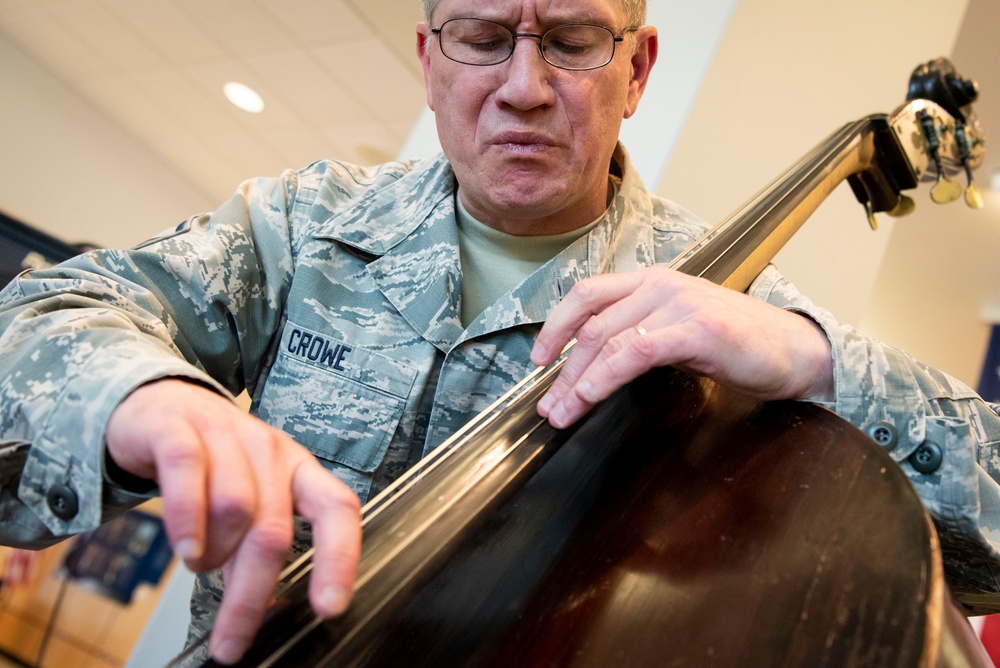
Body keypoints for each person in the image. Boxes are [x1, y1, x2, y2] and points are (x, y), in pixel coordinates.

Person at [1, 0, 998, 664]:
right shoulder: (300, 225)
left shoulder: (720, 308)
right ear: (429, 62)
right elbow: (42, 316)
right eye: (482, 35)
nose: (523, 85)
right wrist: (144, 394)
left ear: (638, 68)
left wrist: (819, 360)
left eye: (570, 39)